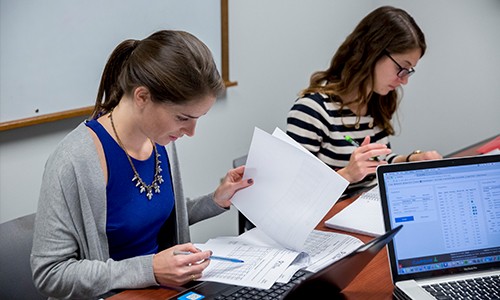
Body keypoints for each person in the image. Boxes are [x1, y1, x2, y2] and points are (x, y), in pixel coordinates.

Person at [30, 30, 254, 299]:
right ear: (142, 97)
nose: (191, 131)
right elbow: (50, 273)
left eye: (198, 118)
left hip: (163, 291)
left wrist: (215, 200)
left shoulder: (160, 139)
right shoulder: (73, 160)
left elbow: (151, 216)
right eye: (183, 117)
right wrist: (149, 270)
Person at [286, 6, 442, 199]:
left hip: (368, 207)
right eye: (402, 68)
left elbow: (377, 161)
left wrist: (410, 160)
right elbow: (293, 193)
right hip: (328, 218)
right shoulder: (313, 110)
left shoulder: (376, 100)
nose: (404, 80)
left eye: (409, 71)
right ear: (373, 52)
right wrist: (347, 174)